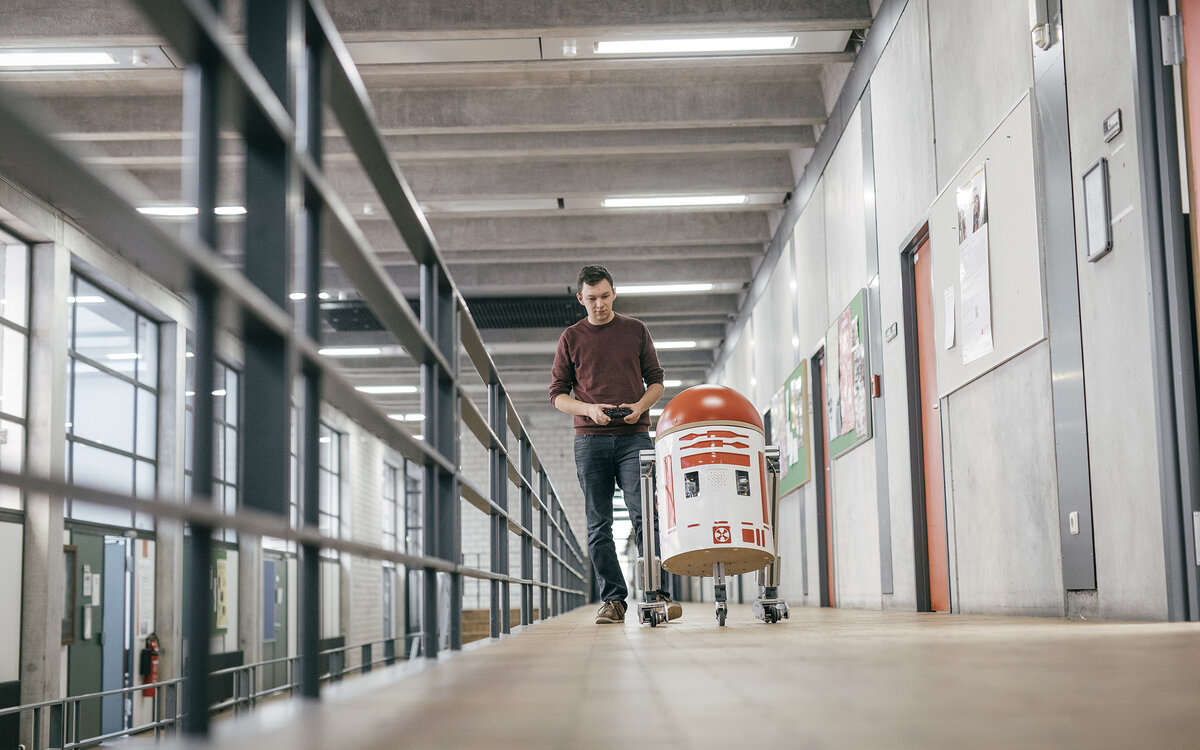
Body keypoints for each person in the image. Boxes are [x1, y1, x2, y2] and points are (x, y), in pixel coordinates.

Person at [549, 264, 682, 624]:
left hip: (634, 437)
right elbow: (558, 396)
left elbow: (656, 381)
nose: (600, 304)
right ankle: (614, 600)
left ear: (614, 293)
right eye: (592, 298)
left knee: (646, 516)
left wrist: (641, 405)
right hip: (589, 441)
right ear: (581, 299)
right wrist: (589, 409)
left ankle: (656, 594)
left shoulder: (636, 330)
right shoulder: (570, 338)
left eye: (605, 296)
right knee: (598, 524)